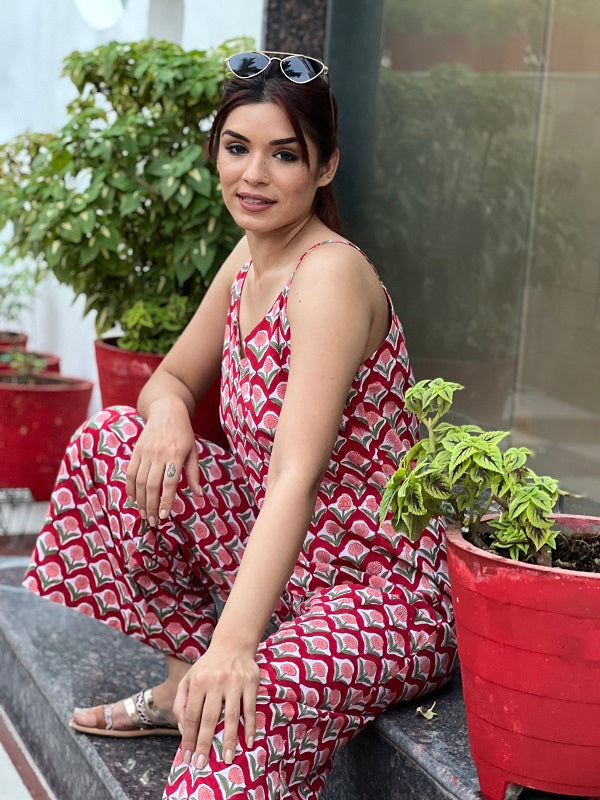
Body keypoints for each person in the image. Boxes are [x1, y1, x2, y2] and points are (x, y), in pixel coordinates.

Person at [24, 50, 457, 799]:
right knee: (114, 443)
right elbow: (168, 380)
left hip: (381, 592)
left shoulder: (329, 274)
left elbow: (295, 476)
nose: (253, 175)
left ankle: (212, 690)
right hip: (287, 563)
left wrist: (235, 648)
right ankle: (181, 686)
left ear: (325, 168)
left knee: (231, 733)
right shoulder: (250, 258)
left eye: (284, 154)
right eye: (237, 148)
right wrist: (168, 417)